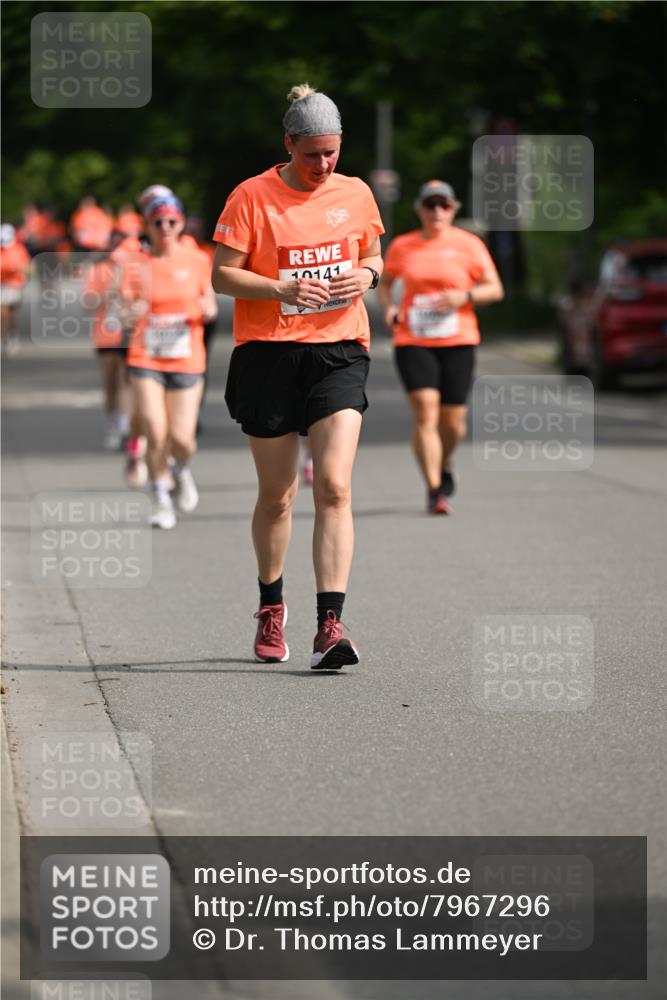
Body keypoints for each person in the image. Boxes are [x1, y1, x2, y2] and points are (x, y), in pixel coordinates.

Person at [212, 83, 384, 670]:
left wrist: (368, 276)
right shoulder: (251, 197)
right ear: (288, 144)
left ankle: (330, 625)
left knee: (334, 486)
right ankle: (270, 605)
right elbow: (223, 277)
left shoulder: (356, 193)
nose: (323, 164)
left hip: (339, 350)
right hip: (267, 354)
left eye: (332, 152)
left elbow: (374, 256)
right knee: (279, 495)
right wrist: (281, 287)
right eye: (311, 153)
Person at [378, 180, 504, 514]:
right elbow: (385, 284)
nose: (437, 211)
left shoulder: (469, 244)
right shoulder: (403, 246)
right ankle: (434, 488)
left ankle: (444, 461)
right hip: (413, 338)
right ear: (419, 209)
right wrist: (389, 308)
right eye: (430, 204)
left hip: (458, 338)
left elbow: (495, 288)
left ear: (453, 209)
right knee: (424, 410)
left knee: (453, 423)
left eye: (443, 205)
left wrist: (464, 296)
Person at [124, 195, 218, 528]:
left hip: (186, 357)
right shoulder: (135, 264)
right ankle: (160, 498)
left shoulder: (196, 260)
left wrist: (208, 309)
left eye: (172, 222)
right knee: (155, 428)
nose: (165, 228)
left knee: (182, 439)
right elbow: (122, 311)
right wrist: (130, 313)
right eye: (157, 222)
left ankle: (180, 470)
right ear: (147, 226)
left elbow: (209, 300)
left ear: (181, 224)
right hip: (145, 356)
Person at [82, 230, 131, 449]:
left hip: (129, 334)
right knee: (110, 381)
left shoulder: (138, 270)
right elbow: (87, 303)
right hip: (105, 334)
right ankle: (112, 422)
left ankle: (125, 424)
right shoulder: (99, 270)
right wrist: (108, 293)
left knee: (126, 381)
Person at [0, 224, 31, 355]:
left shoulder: (19, 249)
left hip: (14, 285)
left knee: (11, 313)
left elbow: (28, 268)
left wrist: (18, 270)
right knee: (3, 312)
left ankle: (12, 335)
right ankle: (4, 339)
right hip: (2, 284)